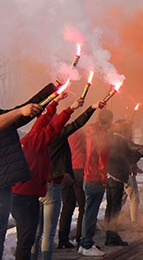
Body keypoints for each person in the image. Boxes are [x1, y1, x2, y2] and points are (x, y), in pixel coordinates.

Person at [31, 99, 103, 260]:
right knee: (48, 233)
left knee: (36, 232)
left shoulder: (35, 136)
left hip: (37, 185)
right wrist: (91, 108)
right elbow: (77, 124)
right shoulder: (57, 134)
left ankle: (38, 254)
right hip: (54, 182)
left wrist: (55, 100)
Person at [11, 93, 77, 260]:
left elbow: (42, 124)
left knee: (31, 236)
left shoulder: (31, 137)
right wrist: (70, 109)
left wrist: (55, 102)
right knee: (27, 239)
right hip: (25, 197)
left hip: (25, 196)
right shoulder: (35, 141)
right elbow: (52, 128)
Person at [0, 83, 54, 259]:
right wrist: (18, 112)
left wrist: (52, 90)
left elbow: (23, 113)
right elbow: (18, 114)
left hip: (4, 185)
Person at [104, 119, 143, 246]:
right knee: (116, 206)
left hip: (109, 175)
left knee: (111, 205)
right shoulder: (123, 141)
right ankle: (112, 235)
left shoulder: (111, 138)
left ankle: (109, 232)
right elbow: (132, 156)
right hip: (118, 176)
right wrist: (142, 152)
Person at [77, 109, 114, 257]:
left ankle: (83, 243)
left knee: (87, 211)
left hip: (87, 176)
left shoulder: (90, 130)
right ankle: (87, 244)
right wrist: (103, 178)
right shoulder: (102, 135)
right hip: (95, 179)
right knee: (91, 213)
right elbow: (102, 159)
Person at [58, 129, 87, 249]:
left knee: (67, 206)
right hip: (79, 169)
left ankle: (62, 239)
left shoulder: (63, 134)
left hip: (65, 172)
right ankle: (80, 237)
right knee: (83, 206)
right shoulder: (80, 133)